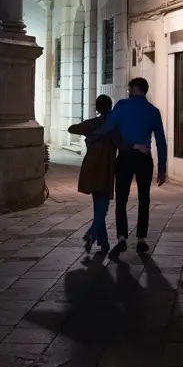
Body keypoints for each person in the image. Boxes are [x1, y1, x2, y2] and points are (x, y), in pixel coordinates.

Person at [99, 77, 167, 259]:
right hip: (145, 158)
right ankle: (141, 239)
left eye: (130, 89)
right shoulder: (153, 111)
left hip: (126, 157)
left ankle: (122, 237)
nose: (128, 92)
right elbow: (160, 140)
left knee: (121, 198)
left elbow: (108, 127)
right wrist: (162, 167)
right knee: (144, 198)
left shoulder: (121, 106)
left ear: (134, 89)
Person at [68, 95, 117, 255]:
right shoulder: (114, 125)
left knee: (98, 206)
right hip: (106, 168)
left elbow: (72, 128)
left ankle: (103, 242)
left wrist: (89, 132)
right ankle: (92, 233)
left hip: (91, 167)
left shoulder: (93, 124)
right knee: (102, 208)